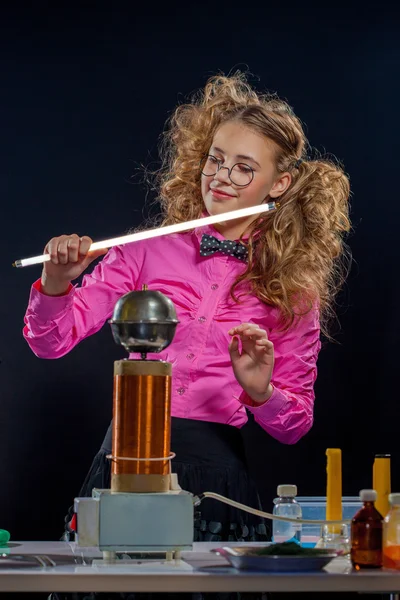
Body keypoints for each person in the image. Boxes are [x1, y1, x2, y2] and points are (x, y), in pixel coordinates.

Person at [23, 72, 351, 600]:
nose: (220, 177)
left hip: (217, 474)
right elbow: (51, 341)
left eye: (244, 168)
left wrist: (261, 390)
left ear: (280, 183)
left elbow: (295, 425)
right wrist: (56, 282)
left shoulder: (293, 292)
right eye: (216, 159)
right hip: (127, 460)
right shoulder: (145, 249)